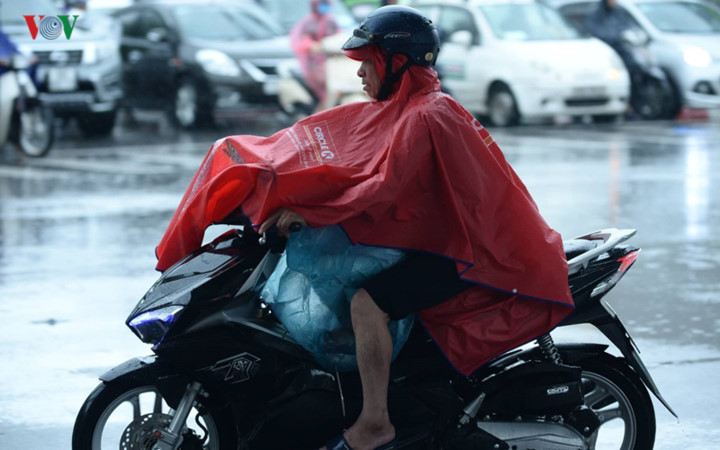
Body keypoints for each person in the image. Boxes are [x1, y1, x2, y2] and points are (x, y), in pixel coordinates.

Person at [155, 6, 574, 450]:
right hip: (443, 237)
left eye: (368, 62)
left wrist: (310, 214)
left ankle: (376, 420)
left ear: (397, 62)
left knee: (366, 303)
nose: (360, 75)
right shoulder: (410, 106)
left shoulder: (428, 114)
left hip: (470, 253)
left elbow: (381, 189)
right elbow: (353, 167)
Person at [290, 0, 341, 111]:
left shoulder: (331, 21)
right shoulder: (307, 22)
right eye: (322, 4)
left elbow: (339, 38)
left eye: (326, 4)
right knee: (323, 96)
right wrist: (311, 46)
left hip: (331, 65)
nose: (324, 7)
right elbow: (299, 41)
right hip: (313, 67)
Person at [584, 0, 642, 84]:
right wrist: (610, 37)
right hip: (605, 48)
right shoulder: (597, 13)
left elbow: (625, 25)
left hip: (619, 45)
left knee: (633, 65)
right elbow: (593, 29)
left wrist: (624, 35)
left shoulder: (617, 12)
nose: (614, 2)